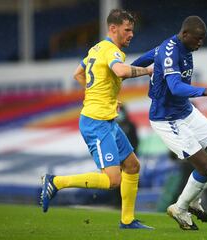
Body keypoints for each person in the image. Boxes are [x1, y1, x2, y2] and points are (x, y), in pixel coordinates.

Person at [40, 9, 154, 230]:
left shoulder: (96, 48)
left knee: (132, 166)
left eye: (132, 30)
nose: (131, 34)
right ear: (113, 29)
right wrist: (147, 70)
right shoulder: (113, 51)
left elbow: (78, 73)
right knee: (113, 180)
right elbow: (120, 71)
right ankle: (55, 182)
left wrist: (104, 97)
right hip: (96, 122)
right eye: (127, 30)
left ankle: (128, 220)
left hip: (106, 119)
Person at [131, 16, 207, 230]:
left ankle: (193, 199)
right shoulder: (170, 51)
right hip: (166, 119)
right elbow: (175, 87)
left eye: (203, 39)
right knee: (205, 166)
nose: (200, 43)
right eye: (198, 39)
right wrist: (206, 91)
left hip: (186, 111)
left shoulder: (179, 47)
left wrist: (130, 71)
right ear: (185, 34)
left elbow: (143, 60)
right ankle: (180, 208)